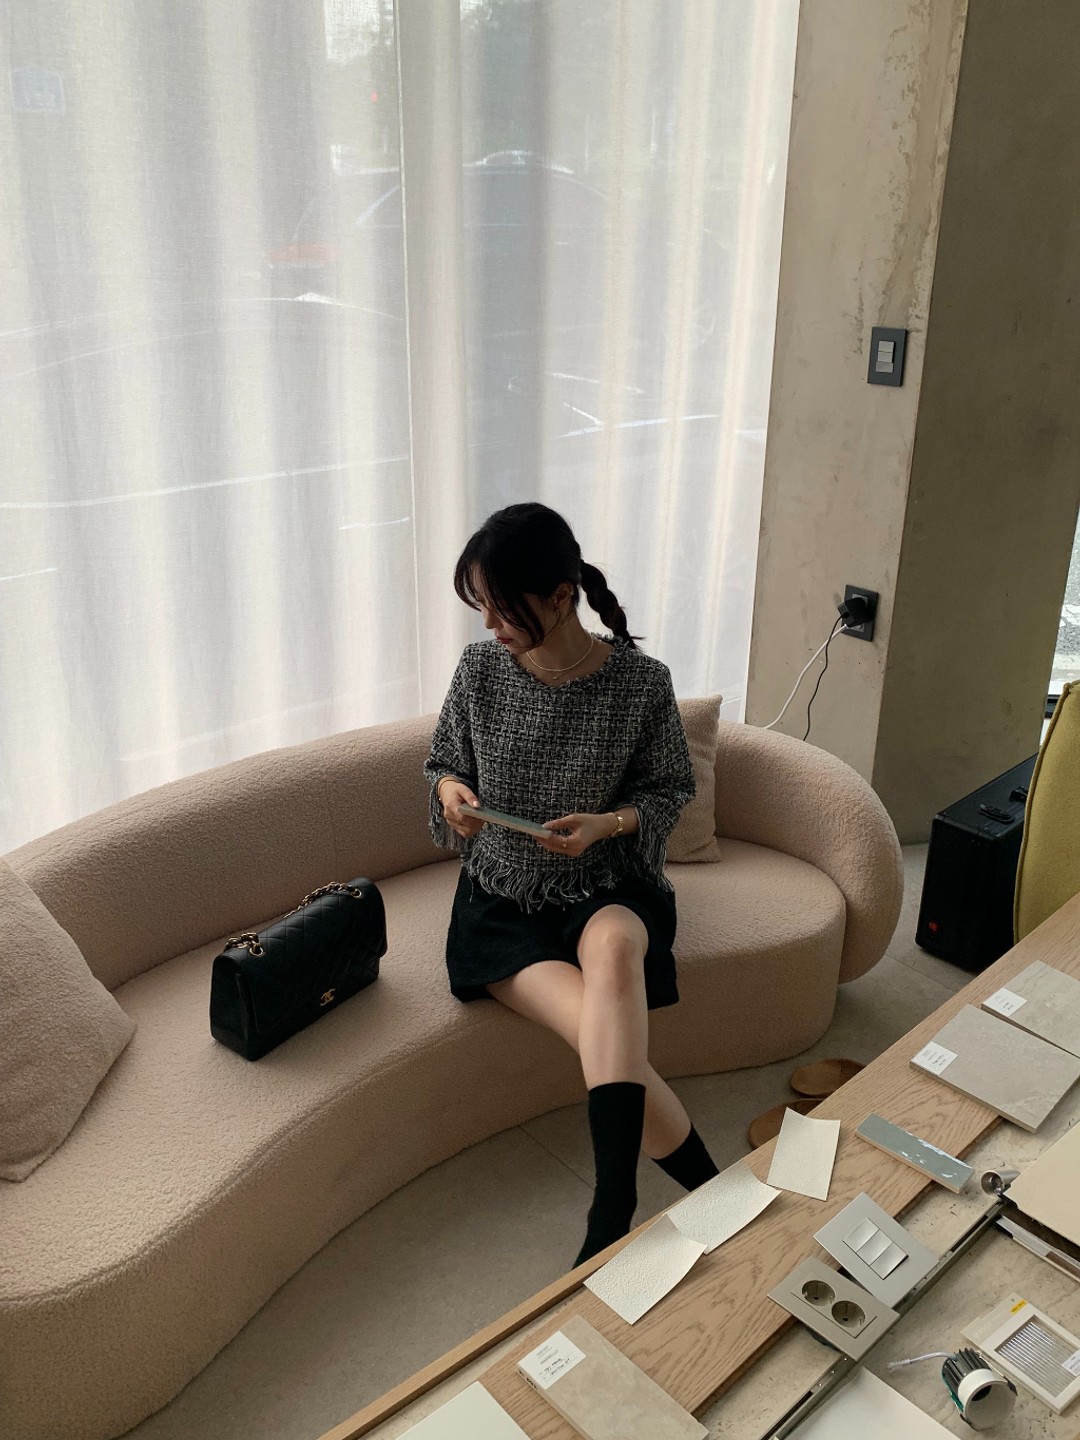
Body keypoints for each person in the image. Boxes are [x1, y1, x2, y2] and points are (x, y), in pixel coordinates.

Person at [423, 502, 719, 1266]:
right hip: (500, 902)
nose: (489, 623)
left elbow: (667, 791)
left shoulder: (640, 684)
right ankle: (715, 1194)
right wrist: (453, 795)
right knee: (601, 1027)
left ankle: (611, 1206)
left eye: (501, 605)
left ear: (561, 598)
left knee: (615, 948)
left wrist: (605, 825)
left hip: (605, 880)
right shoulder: (479, 670)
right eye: (481, 605)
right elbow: (444, 763)